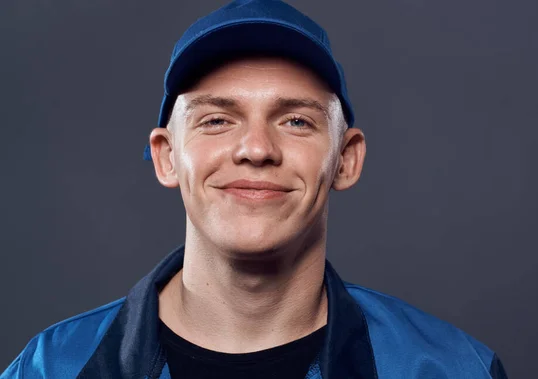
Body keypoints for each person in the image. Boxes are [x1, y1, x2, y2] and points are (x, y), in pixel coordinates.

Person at [1, 1, 508, 378]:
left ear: (346, 160)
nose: (256, 148)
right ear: (167, 156)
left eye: (295, 120)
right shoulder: (51, 368)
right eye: (218, 119)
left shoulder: (450, 368)